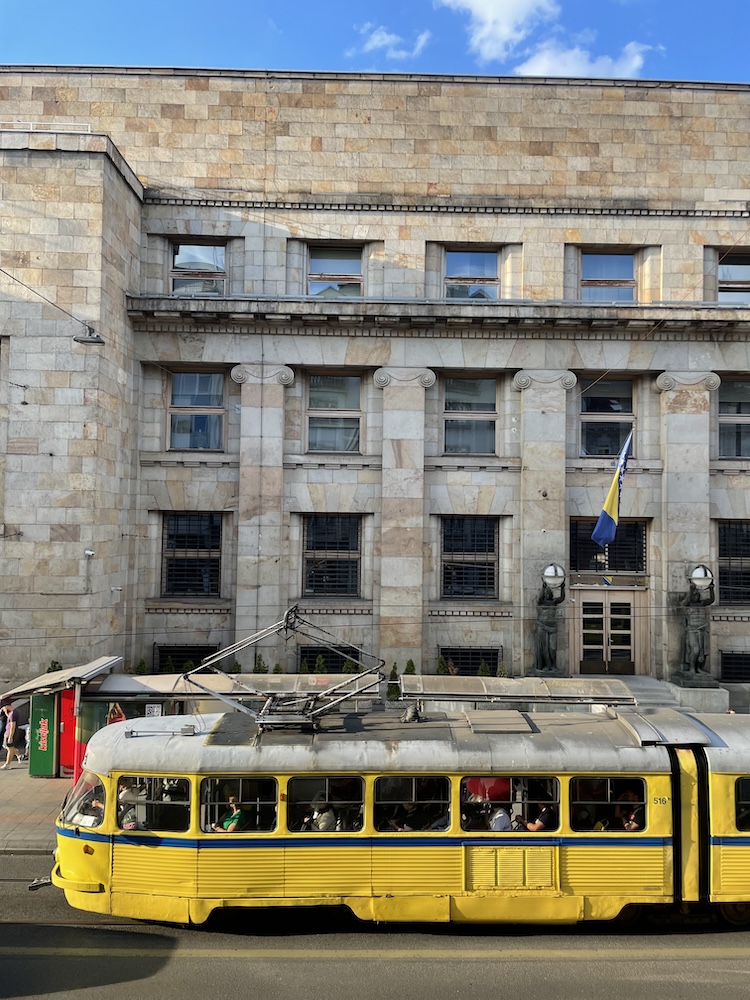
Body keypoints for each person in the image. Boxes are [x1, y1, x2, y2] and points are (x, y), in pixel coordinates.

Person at [681, 580, 714, 673]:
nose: (696, 596)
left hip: (702, 630)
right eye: (694, 595)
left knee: (702, 652)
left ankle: (698, 668)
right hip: (692, 630)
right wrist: (691, 589)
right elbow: (684, 603)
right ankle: (691, 668)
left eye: (697, 595)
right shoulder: (688, 605)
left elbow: (711, 600)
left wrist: (711, 588)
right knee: (695, 650)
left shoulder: (703, 604)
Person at [535, 581, 565, 672]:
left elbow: (562, 598)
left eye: (548, 593)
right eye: (545, 593)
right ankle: (547, 666)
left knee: (552, 648)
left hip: (552, 628)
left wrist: (562, 588)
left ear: (551, 594)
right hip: (542, 626)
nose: (547, 594)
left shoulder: (554, 602)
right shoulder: (542, 601)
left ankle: (553, 665)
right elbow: (539, 599)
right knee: (544, 648)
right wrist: (543, 587)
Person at [1, 703, 24, 769]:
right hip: (8, 731)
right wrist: (5, 712)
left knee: (10, 748)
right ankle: (19, 755)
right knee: (7, 746)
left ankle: (7, 764)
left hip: (10, 732)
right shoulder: (12, 713)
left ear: (7, 706)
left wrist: (10, 736)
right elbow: (10, 719)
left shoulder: (13, 714)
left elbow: (12, 726)